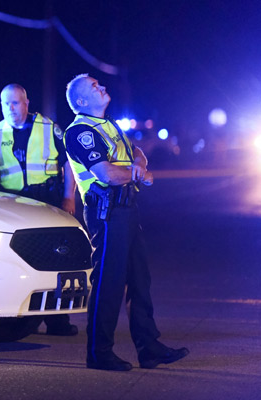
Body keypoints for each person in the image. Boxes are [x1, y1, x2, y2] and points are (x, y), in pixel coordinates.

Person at [63, 73, 189, 371]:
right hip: (107, 215)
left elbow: (137, 152)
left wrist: (139, 166)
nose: (102, 87)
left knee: (139, 280)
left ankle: (149, 348)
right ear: (82, 100)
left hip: (127, 211)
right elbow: (105, 174)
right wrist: (138, 174)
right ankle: (99, 353)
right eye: (95, 87)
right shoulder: (79, 131)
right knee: (108, 283)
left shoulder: (109, 125)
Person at [0, 83, 78, 336]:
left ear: (26, 103)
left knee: (56, 260)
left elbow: (70, 163)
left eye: (15, 102)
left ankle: (58, 322)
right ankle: (15, 318)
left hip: (47, 201)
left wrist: (68, 197)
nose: (10, 108)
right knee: (15, 262)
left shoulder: (49, 128)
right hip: (11, 205)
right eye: (5, 103)